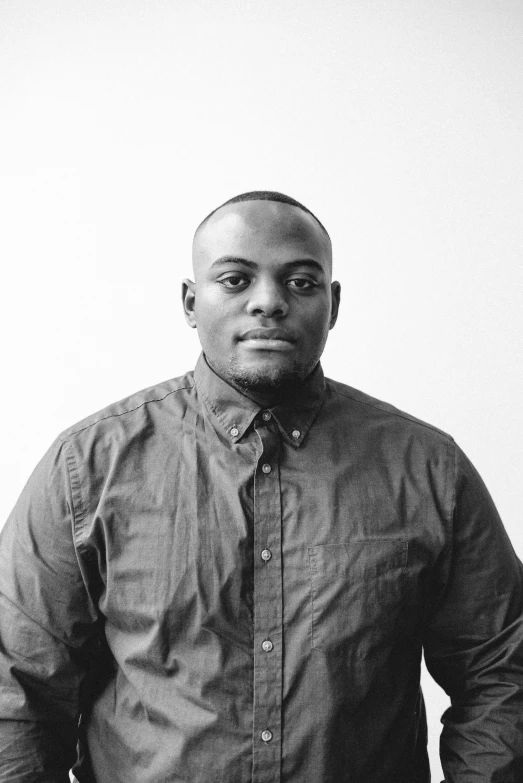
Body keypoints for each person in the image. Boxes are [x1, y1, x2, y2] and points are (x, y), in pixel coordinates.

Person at [0, 191, 522, 783]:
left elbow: (500, 675)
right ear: (191, 302)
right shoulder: (89, 468)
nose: (268, 302)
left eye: (301, 282)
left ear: (334, 303)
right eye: (235, 279)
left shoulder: (429, 469)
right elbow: (18, 691)